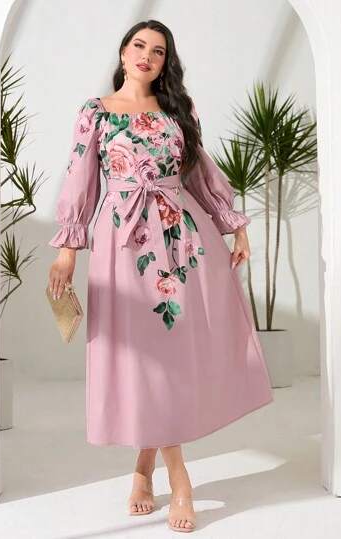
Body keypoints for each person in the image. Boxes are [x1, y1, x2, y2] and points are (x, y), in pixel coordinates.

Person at [48, 19, 273, 534]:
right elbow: (80, 180)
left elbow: (199, 170)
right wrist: (66, 252)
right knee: (146, 358)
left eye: (158, 51)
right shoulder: (96, 113)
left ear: (165, 63)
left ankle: (144, 469)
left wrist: (234, 225)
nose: (146, 56)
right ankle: (179, 478)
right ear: (123, 53)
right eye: (139, 46)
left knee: (170, 356)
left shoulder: (178, 109)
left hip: (182, 239)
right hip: (122, 244)